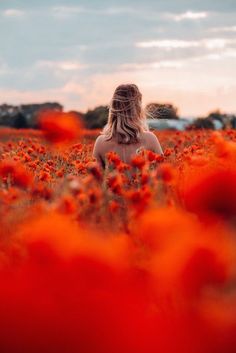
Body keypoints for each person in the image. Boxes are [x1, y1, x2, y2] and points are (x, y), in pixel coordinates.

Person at [92, 83, 163, 169]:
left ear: (113, 109)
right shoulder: (150, 139)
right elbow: (164, 177)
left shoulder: (100, 142)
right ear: (138, 109)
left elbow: (94, 180)